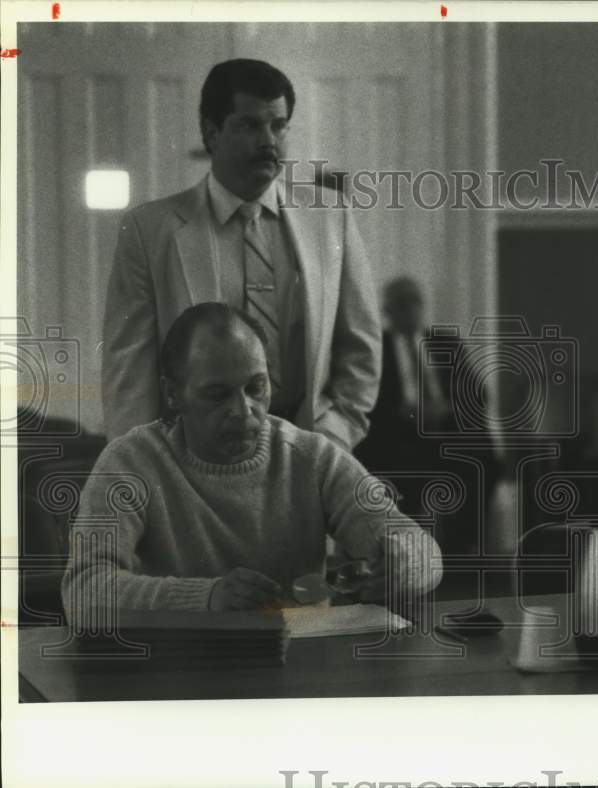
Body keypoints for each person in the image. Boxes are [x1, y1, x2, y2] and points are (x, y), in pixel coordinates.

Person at [62, 303, 441, 616]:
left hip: (301, 668)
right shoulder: (131, 462)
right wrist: (207, 598)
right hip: (177, 673)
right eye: (217, 394)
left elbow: (420, 548)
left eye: (255, 388)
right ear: (173, 394)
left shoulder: (312, 457)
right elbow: (83, 590)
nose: (243, 411)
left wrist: (404, 564)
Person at [102, 58, 380, 450]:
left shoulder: (330, 219)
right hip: (192, 464)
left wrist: (331, 439)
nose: (269, 141)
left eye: (278, 125)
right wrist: (147, 469)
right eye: (249, 125)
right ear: (212, 133)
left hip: (307, 455)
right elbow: (128, 371)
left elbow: (361, 348)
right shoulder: (152, 231)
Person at [354, 277, 500, 553]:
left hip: (445, 431)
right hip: (397, 436)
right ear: (387, 311)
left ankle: (460, 547)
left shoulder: (446, 343)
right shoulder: (375, 349)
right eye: (401, 304)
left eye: (415, 303)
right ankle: (409, 549)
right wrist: (400, 412)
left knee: (483, 461)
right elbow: (362, 400)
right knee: (402, 470)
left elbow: (479, 394)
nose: (410, 310)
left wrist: (446, 407)